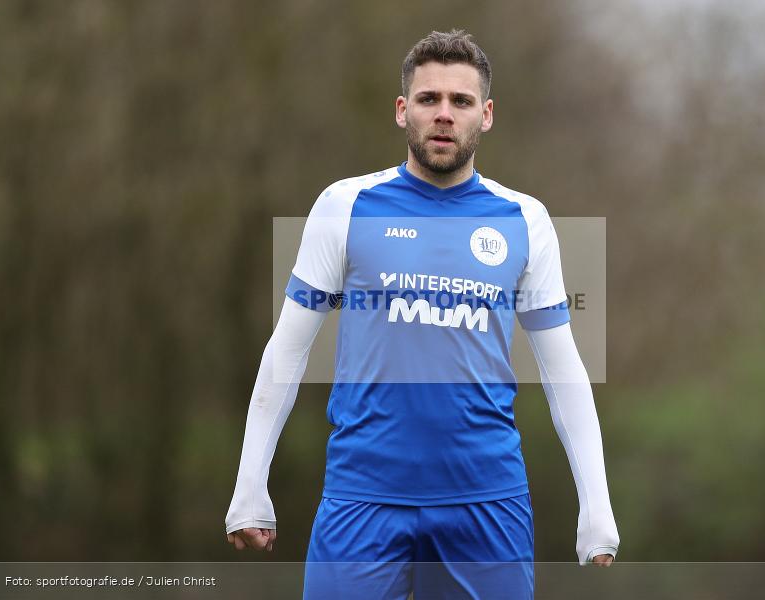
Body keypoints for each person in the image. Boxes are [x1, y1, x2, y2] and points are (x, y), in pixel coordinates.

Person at [225, 29, 619, 599]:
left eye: (460, 102)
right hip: (362, 499)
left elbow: (564, 372)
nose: (443, 114)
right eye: (429, 99)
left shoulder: (525, 220)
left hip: (487, 504)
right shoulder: (345, 206)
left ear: (485, 115)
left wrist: (596, 505)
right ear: (401, 110)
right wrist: (250, 485)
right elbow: (287, 349)